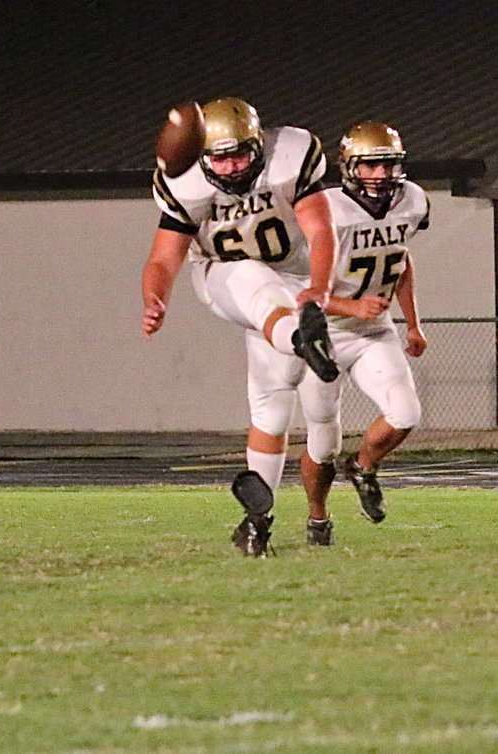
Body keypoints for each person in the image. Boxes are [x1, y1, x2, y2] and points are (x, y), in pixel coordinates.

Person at [141, 97, 339, 558]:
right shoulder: (186, 183)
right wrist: (155, 298)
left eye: (241, 155)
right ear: (201, 155)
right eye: (219, 157)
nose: (231, 167)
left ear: (260, 145)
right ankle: (299, 337)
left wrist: (321, 290)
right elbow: (163, 257)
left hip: (297, 285)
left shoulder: (291, 156)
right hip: (223, 276)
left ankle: (257, 523)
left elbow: (321, 230)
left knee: (277, 404)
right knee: (250, 275)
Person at [297, 121, 429, 545]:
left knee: (406, 413)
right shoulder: (324, 208)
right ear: (349, 167)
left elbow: (400, 261)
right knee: (323, 442)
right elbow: (298, 288)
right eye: (371, 166)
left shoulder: (412, 200)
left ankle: (365, 466)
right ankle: (318, 516)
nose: (382, 175)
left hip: (374, 330)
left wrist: (413, 322)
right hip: (325, 334)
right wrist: (348, 304)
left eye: (389, 165)